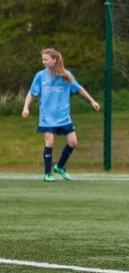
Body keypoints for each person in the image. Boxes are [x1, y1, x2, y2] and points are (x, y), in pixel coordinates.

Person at [22, 48, 100, 182]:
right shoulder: (40, 75)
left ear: (54, 60)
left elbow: (79, 88)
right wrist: (26, 107)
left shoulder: (66, 75)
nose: (43, 62)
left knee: (73, 142)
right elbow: (31, 93)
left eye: (46, 59)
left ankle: (59, 166)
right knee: (50, 142)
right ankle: (48, 174)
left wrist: (92, 100)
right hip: (47, 117)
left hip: (63, 117)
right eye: (43, 59)